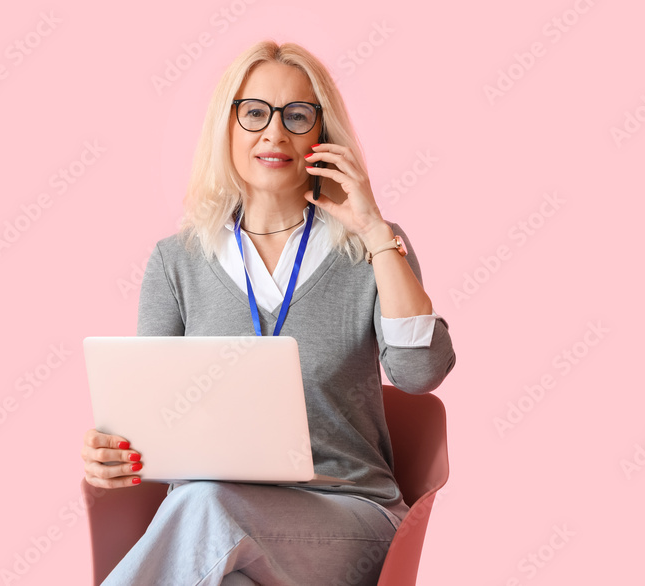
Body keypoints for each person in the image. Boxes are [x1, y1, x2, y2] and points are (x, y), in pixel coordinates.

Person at [81, 40, 457, 585]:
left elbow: (420, 374)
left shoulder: (371, 249)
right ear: (227, 126)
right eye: (254, 112)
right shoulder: (177, 261)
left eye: (297, 115)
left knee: (209, 506)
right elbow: (153, 424)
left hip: (346, 522)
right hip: (218, 529)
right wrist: (110, 453)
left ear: (322, 133)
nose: (274, 133)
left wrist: (376, 232)